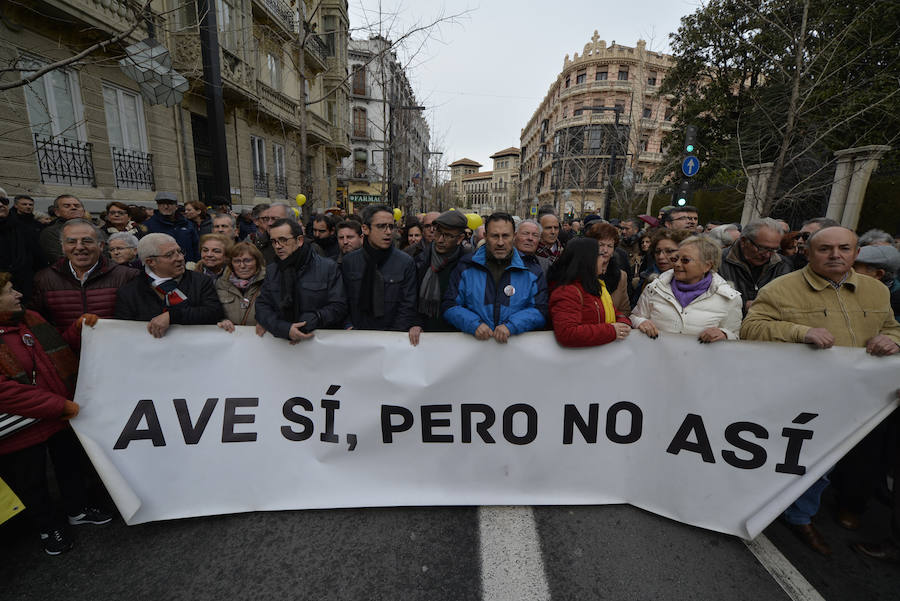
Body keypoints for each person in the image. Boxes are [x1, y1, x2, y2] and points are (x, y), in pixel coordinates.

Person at [741, 226, 900, 556]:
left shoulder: (877, 291)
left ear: (856, 253)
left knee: (843, 461)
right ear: (808, 253)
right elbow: (751, 328)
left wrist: (892, 340)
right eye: (825, 249)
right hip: (804, 397)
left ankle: (821, 510)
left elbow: (891, 327)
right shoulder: (782, 288)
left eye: (844, 248)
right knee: (807, 462)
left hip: (861, 399)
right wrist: (801, 332)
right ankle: (798, 516)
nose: (835, 255)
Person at [0, 272, 111, 555]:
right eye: (10, 291)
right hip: (21, 429)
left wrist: (76, 329)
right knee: (32, 482)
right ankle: (49, 527)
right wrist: (58, 405)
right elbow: (4, 392)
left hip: (58, 417)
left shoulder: (31, 319)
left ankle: (78, 508)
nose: (18, 295)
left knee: (69, 465)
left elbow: (56, 350)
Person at [443, 212, 548, 342]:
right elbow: (450, 305)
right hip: (474, 352)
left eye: (505, 236)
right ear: (485, 236)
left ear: (514, 237)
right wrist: (473, 324)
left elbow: (540, 310)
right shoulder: (466, 266)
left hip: (515, 354)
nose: (500, 242)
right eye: (494, 236)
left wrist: (512, 326)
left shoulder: (532, 271)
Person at [31, 219, 138, 333]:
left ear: (101, 246)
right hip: (64, 349)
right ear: (63, 247)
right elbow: (36, 323)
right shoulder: (44, 279)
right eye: (71, 242)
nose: (79, 247)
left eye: (87, 241)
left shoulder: (128, 276)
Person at [632, 235, 742, 342]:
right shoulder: (655, 287)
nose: (677, 264)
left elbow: (735, 337)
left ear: (707, 266)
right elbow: (635, 317)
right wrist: (641, 322)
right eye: (676, 259)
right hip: (656, 357)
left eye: (685, 260)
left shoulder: (729, 298)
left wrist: (724, 334)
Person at [253, 219, 346, 342]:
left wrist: (316, 318)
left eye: (283, 240)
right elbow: (262, 306)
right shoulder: (272, 270)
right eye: (274, 241)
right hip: (282, 346)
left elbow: (339, 306)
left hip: (319, 343)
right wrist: (285, 329)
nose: (278, 246)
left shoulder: (327, 267)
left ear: (299, 240)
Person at [115, 233, 224, 337]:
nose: (180, 258)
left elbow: (214, 312)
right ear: (150, 262)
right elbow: (125, 331)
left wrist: (172, 316)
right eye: (169, 255)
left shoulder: (200, 281)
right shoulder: (129, 293)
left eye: (179, 251)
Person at [341, 205, 417, 331]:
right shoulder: (349, 262)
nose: (388, 232)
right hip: (356, 338)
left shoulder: (405, 262)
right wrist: (348, 325)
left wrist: (390, 339)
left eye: (391, 227)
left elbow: (408, 306)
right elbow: (343, 300)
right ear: (365, 229)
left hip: (391, 340)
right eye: (381, 226)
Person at [548, 237, 632, 347]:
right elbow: (567, 333)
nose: (604, 260)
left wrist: (622, 322)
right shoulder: (567, 292)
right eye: (600, 255)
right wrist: (611, 331)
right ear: (588, 260)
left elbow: (613, 311)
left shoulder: (593, 286)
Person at [410, 210, 470, 344]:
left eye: (447, 235)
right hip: (425, 337)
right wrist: (415, 323)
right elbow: (410, 296)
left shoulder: (469, 264)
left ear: (460, 239)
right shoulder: (420, 259)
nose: (440, 240)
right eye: (438, 233)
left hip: (459, 338)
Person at [718, 218, 793, 315]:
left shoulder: (783, 265)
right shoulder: (717, 261)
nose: (767, 255)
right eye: (762, 248)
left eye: (773, 250)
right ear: (744, 241)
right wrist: (743, 304)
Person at [0, 191, 46, 304]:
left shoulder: (22, 227)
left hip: (25, 288)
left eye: (4, 201)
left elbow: (37, 256)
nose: (1, 204)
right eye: (24, 204)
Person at [215, 242, 267, 332]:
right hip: (231, 339)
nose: (242, 266)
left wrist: (269, 322)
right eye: (237, 261)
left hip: (261, 340)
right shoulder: (221, 284)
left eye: (247, 261)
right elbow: (213, 311)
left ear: (257, 262)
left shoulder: (269, 282)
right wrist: (222, 320)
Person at [583, 222, 631, 315]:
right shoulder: (581, 273)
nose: (605, 250)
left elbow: (624, 310)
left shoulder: (621, 276)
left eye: (609, 246)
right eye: (601, 245)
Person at [143, 192, 200, 262]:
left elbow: (196, 246)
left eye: (169, 203)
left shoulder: (188, 224)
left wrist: (196, 264)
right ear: (157, 205)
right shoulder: (148, 225)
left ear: (176, 206)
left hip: (188, 267)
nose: (166, 207)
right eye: (161, 204)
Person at [39, 195, 87, 263]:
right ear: (57, 212)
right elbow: (59, 259)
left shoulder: (95, 230)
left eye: (77, 206)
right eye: (67, 206)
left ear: (84, 211)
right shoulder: (50, 233)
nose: (73, 208)